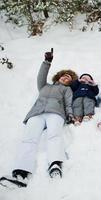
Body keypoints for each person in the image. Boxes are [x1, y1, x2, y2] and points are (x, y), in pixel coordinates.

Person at [0, 49, 78, 188]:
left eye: (69, 79)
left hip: (55, 113)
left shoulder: (67, 90)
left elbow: (68, 104)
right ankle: (21, 173)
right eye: (64, 76)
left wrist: (70, 115)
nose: (66, 78)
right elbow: (41, 76)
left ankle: (55, 164)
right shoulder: (44, 86)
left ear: (70, 83)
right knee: (29, 139)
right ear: (59, 77)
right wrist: (47, 62)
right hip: (36, 113)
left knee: (54, 136)